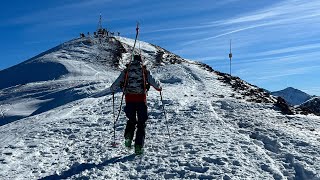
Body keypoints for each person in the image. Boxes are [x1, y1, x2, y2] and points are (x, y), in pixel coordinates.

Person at [110, 55, 162, 154]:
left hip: (129, 99)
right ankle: (138, 146)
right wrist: (159, 88)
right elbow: (155, 84)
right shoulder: (144, 71)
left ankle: (128, 139)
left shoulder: (126, 71)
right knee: (142, 123)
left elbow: (114, 85)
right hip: (141, 99)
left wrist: (114, 89)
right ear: (141, 61)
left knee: (131, 120)